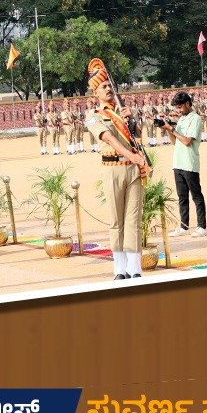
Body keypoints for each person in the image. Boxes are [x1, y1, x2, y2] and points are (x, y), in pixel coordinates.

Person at [85, 58, 148, 281]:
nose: (108, 89)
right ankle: (119, 268)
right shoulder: (93, 116)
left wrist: (133, 120)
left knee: (134, 219)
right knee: (116, 220)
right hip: (112, 168)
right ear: (96, 93)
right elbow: (109, 138)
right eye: (103, 87)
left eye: (109, 85)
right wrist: (131, 155)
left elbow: (138, 136)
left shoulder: (123, 111)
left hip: (132, 169)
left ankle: (135, 268)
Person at [162, 91, 207, 237]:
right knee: (182, 196)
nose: (179, 110)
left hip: (189, 162)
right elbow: (174, 141)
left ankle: (202, 226)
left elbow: (188, 141)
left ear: (188, 104)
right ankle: (184, 226)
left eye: (180, 107)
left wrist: (172, 129)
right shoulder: (181, 119)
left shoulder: (195, 119)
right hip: (178, 162)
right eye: (177, 108)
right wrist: (168, 130)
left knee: (196, 195)